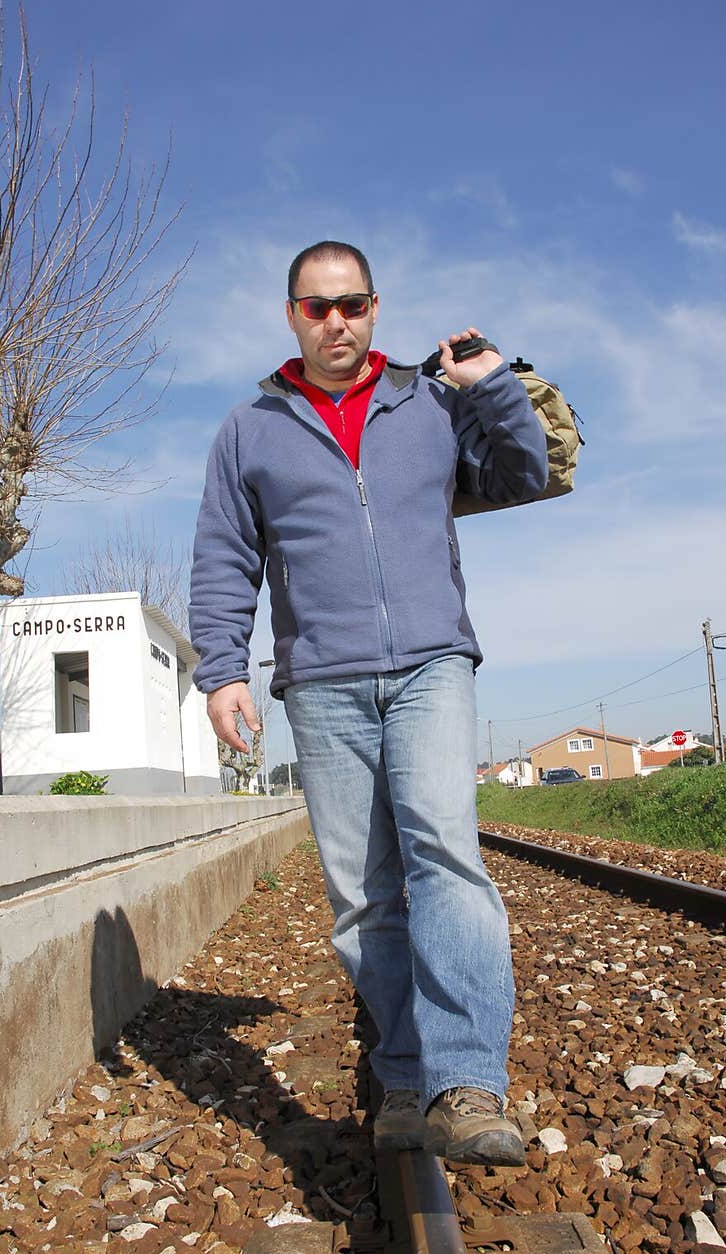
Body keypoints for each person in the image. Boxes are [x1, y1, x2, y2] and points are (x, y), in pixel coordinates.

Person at [188, 240, 547, 1165]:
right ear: (292, 316)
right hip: (321, 680)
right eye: (317, 307)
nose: (336, 322)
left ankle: (466, 1082)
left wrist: (493, 385)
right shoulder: (249, 429)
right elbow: (226, 553)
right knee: (360, 899)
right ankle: (399, 1075)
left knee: (444, 856)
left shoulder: (431, 400)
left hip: (432, 664)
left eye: (350, 304)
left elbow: (523, 475)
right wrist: (223, 669)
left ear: (376, 308)